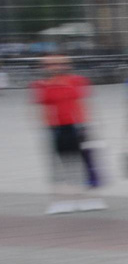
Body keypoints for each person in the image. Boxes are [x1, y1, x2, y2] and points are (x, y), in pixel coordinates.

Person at [32, 55, 105, 213]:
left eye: (59, 64)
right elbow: (39, 108)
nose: (55, 67)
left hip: (77, 126)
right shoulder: (40, 85)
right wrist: (42, 128)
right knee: (59, 164)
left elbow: (85, 103)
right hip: (55, 128)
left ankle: (90, 198)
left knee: (85, 162)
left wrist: (91, 125)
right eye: (49, 65)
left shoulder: (78, 80)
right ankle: (63, 200)